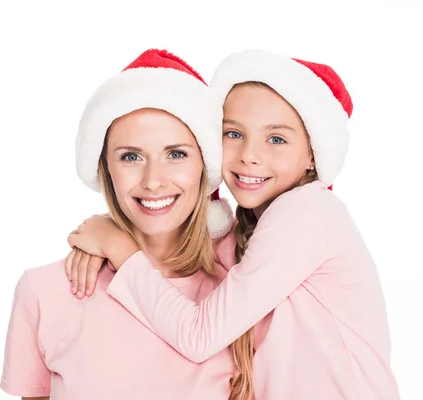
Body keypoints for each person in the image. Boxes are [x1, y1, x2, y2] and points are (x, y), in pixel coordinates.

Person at [66, 50, 400, 399]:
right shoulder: (251, 231)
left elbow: (199, 337)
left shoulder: (306, 212)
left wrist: (119, 247)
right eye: (233, 134)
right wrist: (114, 231)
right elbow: (173, 247)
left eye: (276, 139)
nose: (248, 155)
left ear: (313, 155)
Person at [0, 49, 244, 400]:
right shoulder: (46, 292)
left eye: (176, 154)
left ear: (205, 167)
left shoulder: (243, 292)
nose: (153, 181)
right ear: (106, 170)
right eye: (131, 157)